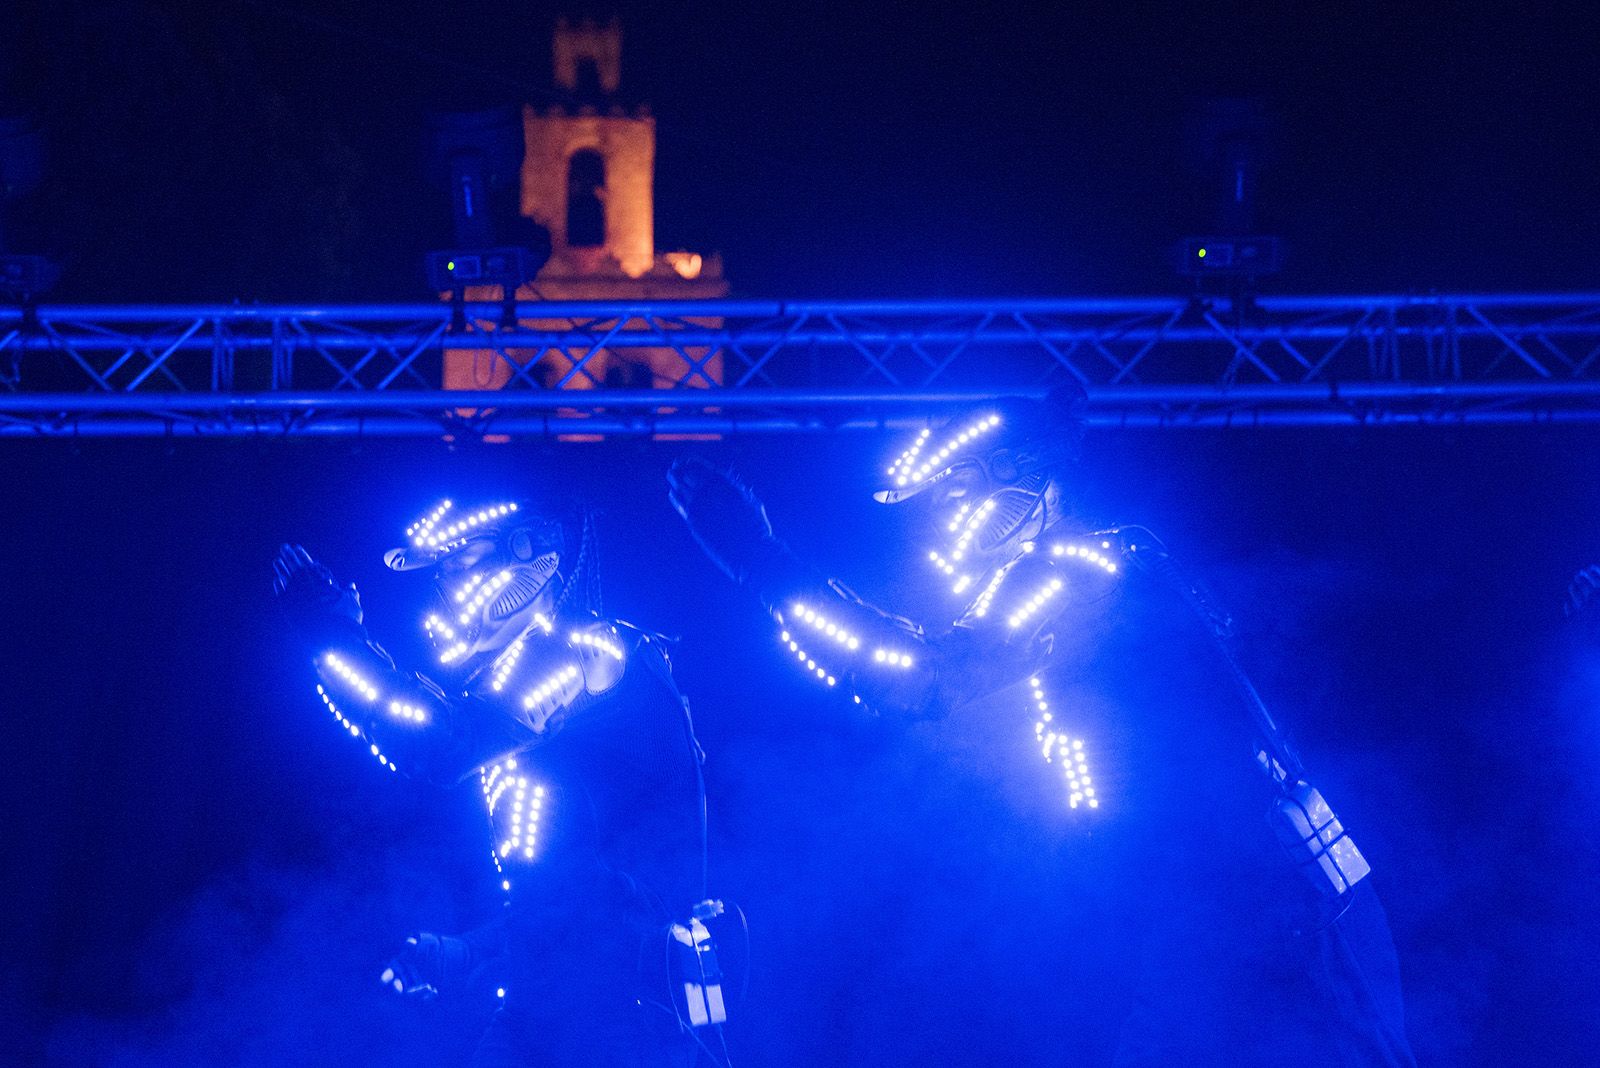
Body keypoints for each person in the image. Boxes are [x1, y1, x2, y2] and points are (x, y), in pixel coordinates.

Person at [667, 387, 1415, 1065]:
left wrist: (762, 564)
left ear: (1018, 477)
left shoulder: (1077, 572)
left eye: (951, 492)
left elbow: (923, 681)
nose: (937, 520)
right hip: (1230, 890)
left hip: (1244, 896)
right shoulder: (1100, 570)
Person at [273, 499, 723, 1067]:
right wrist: (462, 955)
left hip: (621, 1019)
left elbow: (438, 747)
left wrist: (334, 637)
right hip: (573, 1006)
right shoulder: (536, 706)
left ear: (532, 552)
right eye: (439, 572)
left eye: (461, 560)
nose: (445, 583)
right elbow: (564, 901)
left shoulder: (581, 649)